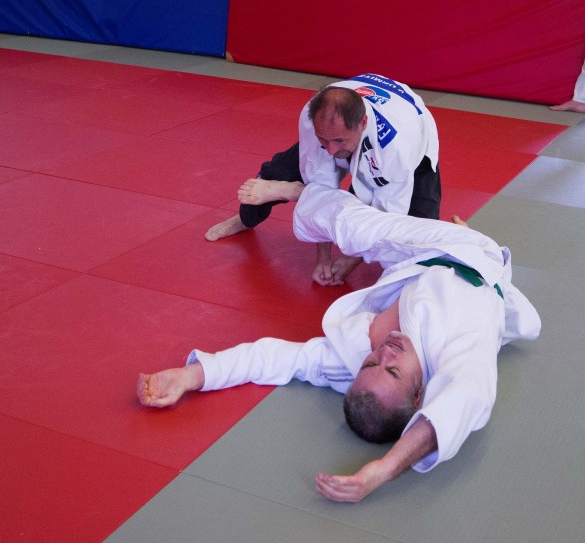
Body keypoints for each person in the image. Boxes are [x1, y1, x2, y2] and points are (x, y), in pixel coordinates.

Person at [139, 183, 541, 504]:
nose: (384, 353)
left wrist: (192, 375)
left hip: (414, 264)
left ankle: (297, 191)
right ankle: (469, 236)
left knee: (353, 229)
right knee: (361, 229)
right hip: (471, 257)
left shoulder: (351, 365)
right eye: (393, 370)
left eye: (371, 364)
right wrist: (385, 469)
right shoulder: (461, 350)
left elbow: (276, 358)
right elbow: (467, 399)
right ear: (421, 393)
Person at [205, 74, 440, 286]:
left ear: (363, 124)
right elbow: (321, 183)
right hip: (356, 111)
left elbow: (385, 218)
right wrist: (323, 257)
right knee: (277, 172)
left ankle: (296, 192)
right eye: (323, 140)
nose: (330, 151)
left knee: (419, 242)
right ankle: (248, 217)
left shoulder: (396, 148)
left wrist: (350, 260)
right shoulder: (314, 117)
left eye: (339, 141)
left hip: (414, 139)